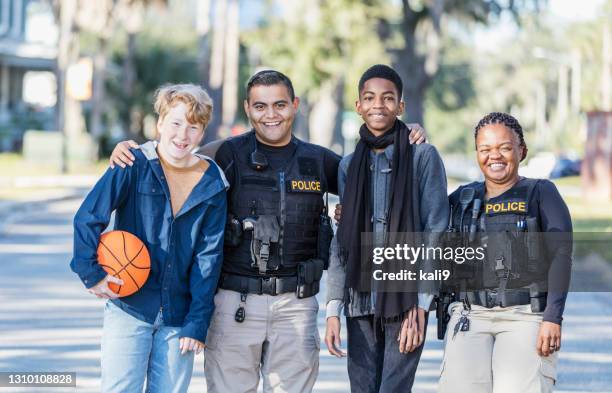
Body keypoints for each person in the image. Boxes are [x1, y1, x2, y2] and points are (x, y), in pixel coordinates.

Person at [109, 70, 427, 393]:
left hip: (295, 308)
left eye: (280, 105)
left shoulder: (318, 161)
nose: (271, 115)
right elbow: (173, 153)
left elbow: (371, 172)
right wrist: (132, 151)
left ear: (295, 105)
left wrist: (404, 133)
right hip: (234, 306)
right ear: (248, 108)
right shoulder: (224, 155)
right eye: (260, 107)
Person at [70, 84, 228, 393]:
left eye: (193, 127)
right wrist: (92, 275)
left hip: (178, 317)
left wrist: (197, 322)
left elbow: (208, 258)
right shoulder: (133, 163)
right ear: (160, 124)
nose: (182, 135)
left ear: (202, 132)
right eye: (176, 123)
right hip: (130, 307)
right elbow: (88, 217)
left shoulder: (212, 182)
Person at [325, 64, 449, 393]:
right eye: (369, 97)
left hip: (405, 299)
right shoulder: (349, 165)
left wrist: (421, 305)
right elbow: (343, 240)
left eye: (388, 98)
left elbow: (436, 231)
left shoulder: (423, 157)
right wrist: (333, 307)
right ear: (358, 106)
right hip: (359, 300)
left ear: (401, 106)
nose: (378, 104)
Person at [438, 112, 572, 393]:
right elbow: (419, 216)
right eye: (485, 149)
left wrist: (552, 317)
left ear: (521, 151)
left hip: (525, 315)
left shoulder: (541, 193)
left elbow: (562, 256)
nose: (494, 156)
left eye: (504, 147)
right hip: (470, 315)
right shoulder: (462, 198)